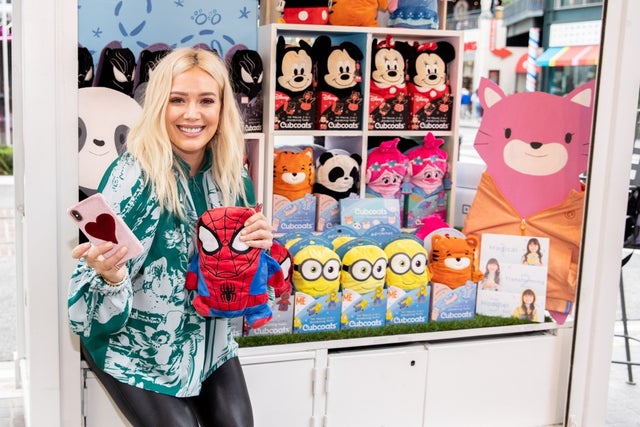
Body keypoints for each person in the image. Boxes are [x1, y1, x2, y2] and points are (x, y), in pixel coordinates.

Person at [67, 47, 274, 427]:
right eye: (177, 100)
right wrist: (110, 276)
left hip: (208, 341)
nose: (192, 114)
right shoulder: (132, 177)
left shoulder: (233, 176)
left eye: (206, 101)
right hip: (134, 348)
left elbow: (238, 276)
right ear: (159, 105)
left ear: (222, 108)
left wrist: (258, 248)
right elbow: (85, 306)